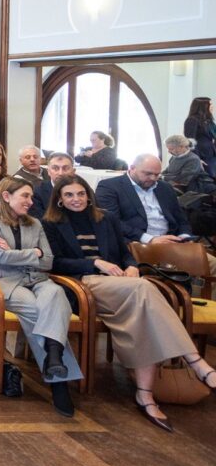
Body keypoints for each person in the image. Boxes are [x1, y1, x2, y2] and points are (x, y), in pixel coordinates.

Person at [42, 176, 216, 431]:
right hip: (84, 284)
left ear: (88, 195)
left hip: (124, 285)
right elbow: (55, 263)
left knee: (143, 316)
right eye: (69, 195)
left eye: (80, 193)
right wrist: (95, 262)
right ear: (59, 198)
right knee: (147, 288)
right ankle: (195, 361)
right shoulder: (50, 223)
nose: (76, 199)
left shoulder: (107, 218)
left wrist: (133, 268)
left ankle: (145, 395)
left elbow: (125, 254)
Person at [0, 178, 80, 417]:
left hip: (37, 279)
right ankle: (58, 383)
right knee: (39, 309)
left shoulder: (35, 224)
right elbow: (1, 259)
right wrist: (33, 252)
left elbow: (48, 260)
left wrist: (20, 254)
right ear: (6, 197)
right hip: (4, 283)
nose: (30, 202)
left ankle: (53, 357)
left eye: (31, 197)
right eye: (25, 196)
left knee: (56, 293)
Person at [96, 154, 216, 274]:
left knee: (213, 265)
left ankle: (199, 292)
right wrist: (151, 239)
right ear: (132, 168)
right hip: (137, 245)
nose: (153, 178)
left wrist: (184, 237)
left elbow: (181, 219)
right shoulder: (110, 187)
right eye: (148, 173)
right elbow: (113, 223)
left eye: (157, 174)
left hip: (172, 243)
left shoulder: (165, 188)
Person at [30, 152, 77, 218]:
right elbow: (40, 221)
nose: (60, 173)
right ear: (48, 171)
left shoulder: (83, 190)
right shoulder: (37, 193)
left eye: (65, 168)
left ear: (73, 171)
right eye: (55, 168)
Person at [183, 96, 215, 177]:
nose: (213, 107)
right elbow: (190, 141)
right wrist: (197, 159)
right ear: (203, 106)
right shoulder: (192, 120)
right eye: (210, 104)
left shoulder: (209, 122)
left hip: (211, 155)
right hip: (201, 156)